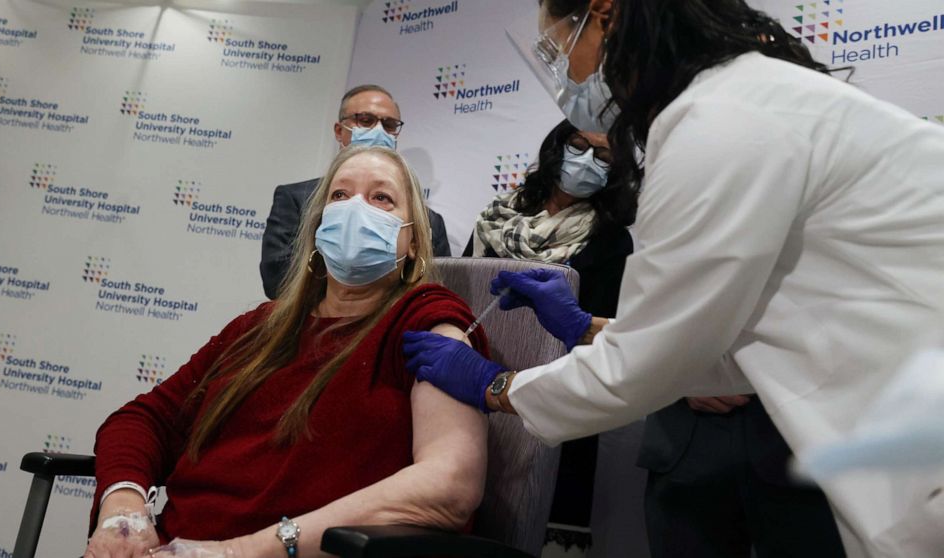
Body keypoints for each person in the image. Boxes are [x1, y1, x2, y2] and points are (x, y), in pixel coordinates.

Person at [402, 1, 944, 556]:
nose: (565, 77)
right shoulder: (746, 100)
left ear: (604, 14)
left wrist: (495, 386)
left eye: (557, 48)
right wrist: (590, 327)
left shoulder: (717, 121)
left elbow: (645, 367)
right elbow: (729, 351)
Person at [86, 146, 489, 558]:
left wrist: (237, 553)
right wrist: (123, 510)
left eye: (380, 198)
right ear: (317, 229)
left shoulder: (425, 323)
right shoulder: (260, 327)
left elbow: (450, 483)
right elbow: (145, 419)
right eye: (339, 196)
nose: (354, 210)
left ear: (413, 241)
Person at [463, 119, 636, 553]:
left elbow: (606, 334)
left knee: (538, 519)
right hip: (473, 377)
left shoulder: (610, 240)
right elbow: (461, 291)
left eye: (603, 156)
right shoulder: (495, 216)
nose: (587, 161)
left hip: (558, 394)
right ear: (557, 147)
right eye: (579, 146)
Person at [260, 84, 451, 299]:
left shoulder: (429, 221)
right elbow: (276, 280)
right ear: (339, 131)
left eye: (388, 124)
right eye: (365, 120)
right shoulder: (296, 199)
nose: (378, 131)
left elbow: (437, 290)